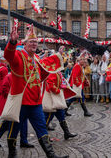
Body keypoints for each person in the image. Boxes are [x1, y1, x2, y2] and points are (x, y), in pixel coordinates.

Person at [4, 25, 67, 158]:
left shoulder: (36, 59)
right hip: (21, 102)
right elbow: (9, 55)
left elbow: (45, 69)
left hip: (35, 102)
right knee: (14, 129)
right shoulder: (19, 55)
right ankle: (12, 154)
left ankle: (51, 155)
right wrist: (13, 42)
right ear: (25, 44)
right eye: (31, 42)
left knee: (42, 129)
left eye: (35, 42)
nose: (34, 44)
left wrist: (58, 56)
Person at [43, 71, 77, 140]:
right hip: (52, 99)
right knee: (48, 117)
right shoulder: (53, 72)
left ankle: (66, 133)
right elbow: (50, 83)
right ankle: (43, 136)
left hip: (56, 99)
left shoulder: (57, 72)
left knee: (61, 116)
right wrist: (57, 91)